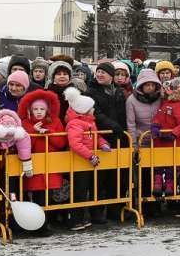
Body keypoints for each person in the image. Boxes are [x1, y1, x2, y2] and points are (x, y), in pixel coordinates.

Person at [63, 86, 111, 230]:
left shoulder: (90, 122)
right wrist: (90, 155)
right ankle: (75, 219)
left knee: (92, 188)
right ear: (83, 110)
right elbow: (75, 143)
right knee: (79, 191)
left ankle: (86, 216)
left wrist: (103, 144)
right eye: (91, 108)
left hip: (89, 161)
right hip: (80, 162)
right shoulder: (75, 124)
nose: (94, 110)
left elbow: (96, 137)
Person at [18, 89, 65, 235]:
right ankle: (37, 226)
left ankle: (47, 222)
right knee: (37, 197)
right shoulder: (25, 123)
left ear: (47, 110)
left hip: (51, 166)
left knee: (49, 196)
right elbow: (23, 144)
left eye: (42, 109)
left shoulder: (55, 122)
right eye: (35, 109)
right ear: (30, 110)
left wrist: (49, 134)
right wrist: (33, 132)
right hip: (34, 167)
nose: (39, 112)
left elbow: (61, 142)